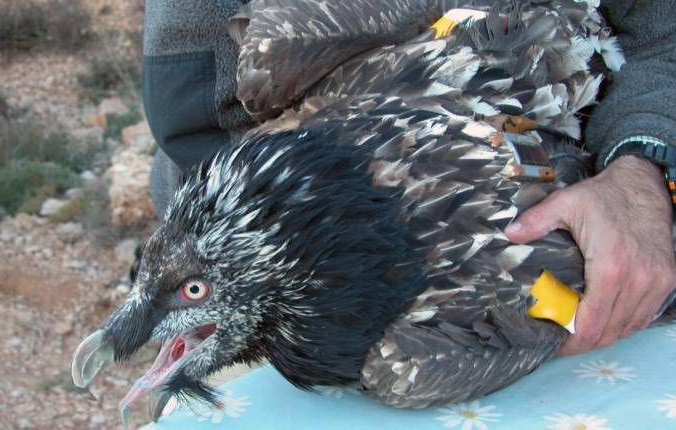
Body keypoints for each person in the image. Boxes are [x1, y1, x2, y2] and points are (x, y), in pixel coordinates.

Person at [142, 0, 676, 356]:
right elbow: (195, 115)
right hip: (261, 272)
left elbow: (661, 29)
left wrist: (643, 165)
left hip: (616, 228)